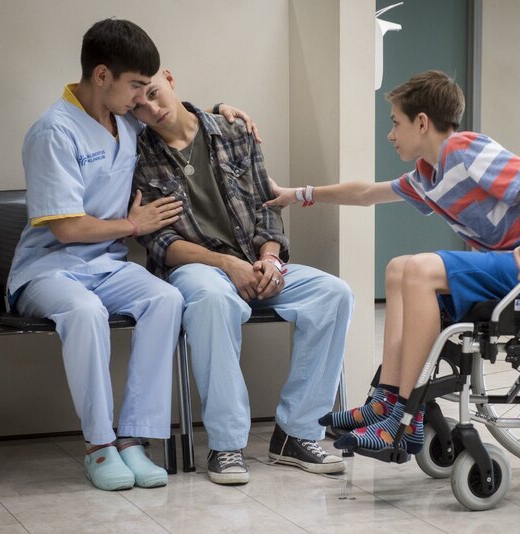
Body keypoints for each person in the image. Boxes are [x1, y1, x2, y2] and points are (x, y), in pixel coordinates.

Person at [265, 70, 520, 455]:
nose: (391, 134)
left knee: (418, 269)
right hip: (508, 272)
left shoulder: (464, 149)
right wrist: (296, 194)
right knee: (398, 268)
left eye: (395, 123)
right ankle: (387, 401)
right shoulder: (428, 176)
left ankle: (404, 415)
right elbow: (366, 193)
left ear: (421, 122)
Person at [7, 19, 255, 491]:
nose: (142, 98)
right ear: (102, 77)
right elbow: (65, 227)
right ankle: (99, 447)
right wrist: (132, 226)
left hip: (106, 266)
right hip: (48, 270)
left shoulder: (124, 122)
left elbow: (180, 119)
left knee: (165, 299)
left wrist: (224, 111)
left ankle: (134, 440)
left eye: (146, 86)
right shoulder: (53, 132)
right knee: (85, 312)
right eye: (135, 86)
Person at [130, 70, 354, 485]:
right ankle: (226, 443)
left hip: (255, 262)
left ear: (170, 79)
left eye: (155, 94)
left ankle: (297, 433)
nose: (153, 109)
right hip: (195, 269)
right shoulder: (137, 153)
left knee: (334, 294)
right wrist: (225, 265)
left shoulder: (233, 131)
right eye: (139, 105)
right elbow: (158, 241)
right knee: (213, 301)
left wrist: (270, 259)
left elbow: (267, 204)